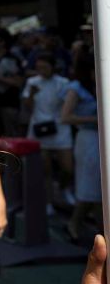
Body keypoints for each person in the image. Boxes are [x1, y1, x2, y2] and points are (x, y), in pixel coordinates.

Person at [22, 52, 73, 213]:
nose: (41, 70)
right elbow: (28, 105)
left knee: (68, 167)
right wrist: (32, 93)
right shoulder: (32, 82)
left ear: (53, 67)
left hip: (60, 128)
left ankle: (65, 189)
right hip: (38, 128)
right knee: (45, 170)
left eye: (45, 67)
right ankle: (49, 202)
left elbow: (68, 104)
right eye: (38, 67)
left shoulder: (63, 83)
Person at [62, 54, 100, 242]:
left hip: (99, 139)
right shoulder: (76, 88)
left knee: (99, 188)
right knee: (89, 186)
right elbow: (66, 117)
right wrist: (97, 119)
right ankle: (74, 223)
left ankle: (99, 228)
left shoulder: (99, 84)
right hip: (88, 139)